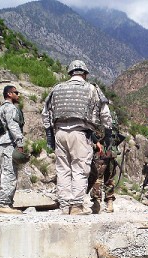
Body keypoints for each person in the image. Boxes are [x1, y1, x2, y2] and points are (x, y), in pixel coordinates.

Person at [42, 60, 112, 215]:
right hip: (80, 133)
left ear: (70, 73)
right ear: (85, 74)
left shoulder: (57, 88)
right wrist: (107, 134)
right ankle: (76, 206)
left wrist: (49, 135)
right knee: (79, 169)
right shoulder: (92, 89)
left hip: (59, 133)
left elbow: (45, 113)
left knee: (63, 169)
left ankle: (64, 206)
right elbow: (105, 112)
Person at [0, 85, 25, 214]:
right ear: (9, 94)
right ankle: (3, 204)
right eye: (15, 92)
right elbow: (13, 126)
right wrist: (20, 142)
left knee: (5, 172)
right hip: (8, 143)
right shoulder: (11, 108)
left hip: (2, 142)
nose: (18, 95)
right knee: (10, 174)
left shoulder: (1, 108)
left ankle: (7, 203)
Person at [89, 110, 122, 214]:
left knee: (97, 177)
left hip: (101, 151)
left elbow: (95, 133)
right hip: (112, 151)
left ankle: (96, 204)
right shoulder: (113, 115)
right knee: (109, 178)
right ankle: (110, 203)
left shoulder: (96, 115)